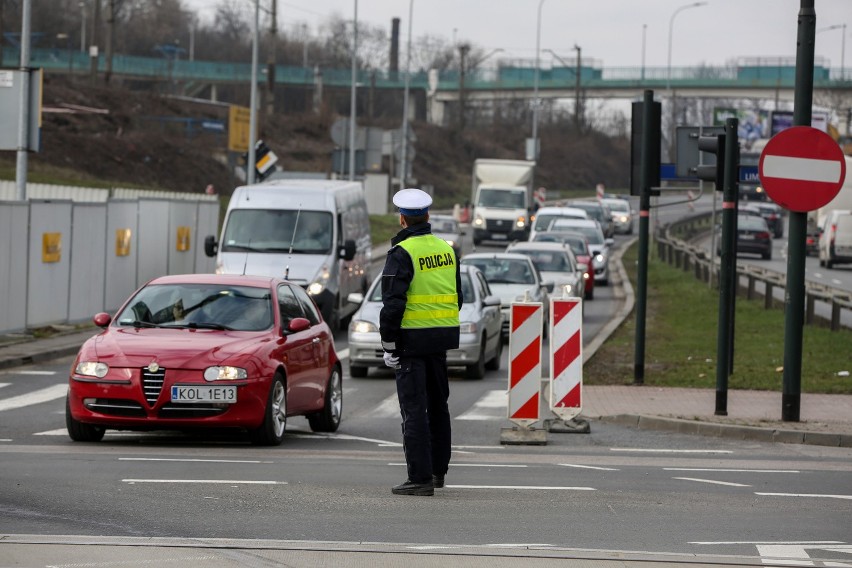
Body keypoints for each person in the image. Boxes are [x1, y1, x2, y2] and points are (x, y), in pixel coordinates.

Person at [380, 188, 463, 497]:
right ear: (427, 216)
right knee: (438, 408)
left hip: (411, 344)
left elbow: (392, 306)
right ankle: (438, 472)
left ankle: (420, 478)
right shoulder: (447, 250)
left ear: (402, 219)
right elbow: (458, 297)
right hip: (440, 340)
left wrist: (389, 346)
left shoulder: (402, 253)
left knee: (414, 411)